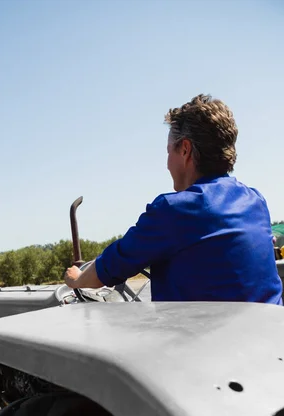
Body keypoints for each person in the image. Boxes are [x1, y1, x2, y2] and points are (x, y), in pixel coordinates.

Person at [64, 94, 283, 304]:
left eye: (169, 152)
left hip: (210, 341)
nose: (167, 162)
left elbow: (112, 265)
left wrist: (77, 278)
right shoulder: (255, 201)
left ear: (185, 149)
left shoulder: (175, 210)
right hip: (269, 335)